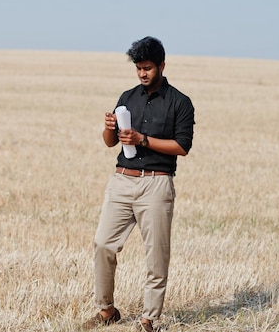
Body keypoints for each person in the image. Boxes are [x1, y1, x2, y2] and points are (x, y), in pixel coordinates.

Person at [82, 36, 195, 332]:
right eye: (138, 68)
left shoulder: (180, 102)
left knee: (156, 255)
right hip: (121, 180)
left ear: (161, 65)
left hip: (156, 185)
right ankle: (107, 311)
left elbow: (182, 146)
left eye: (147, 68)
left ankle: (150, 320)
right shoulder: (127, 97)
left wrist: (142, 140)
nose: (142, 74)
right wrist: (109, 130)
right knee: (103, 245)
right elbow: (110, 143)